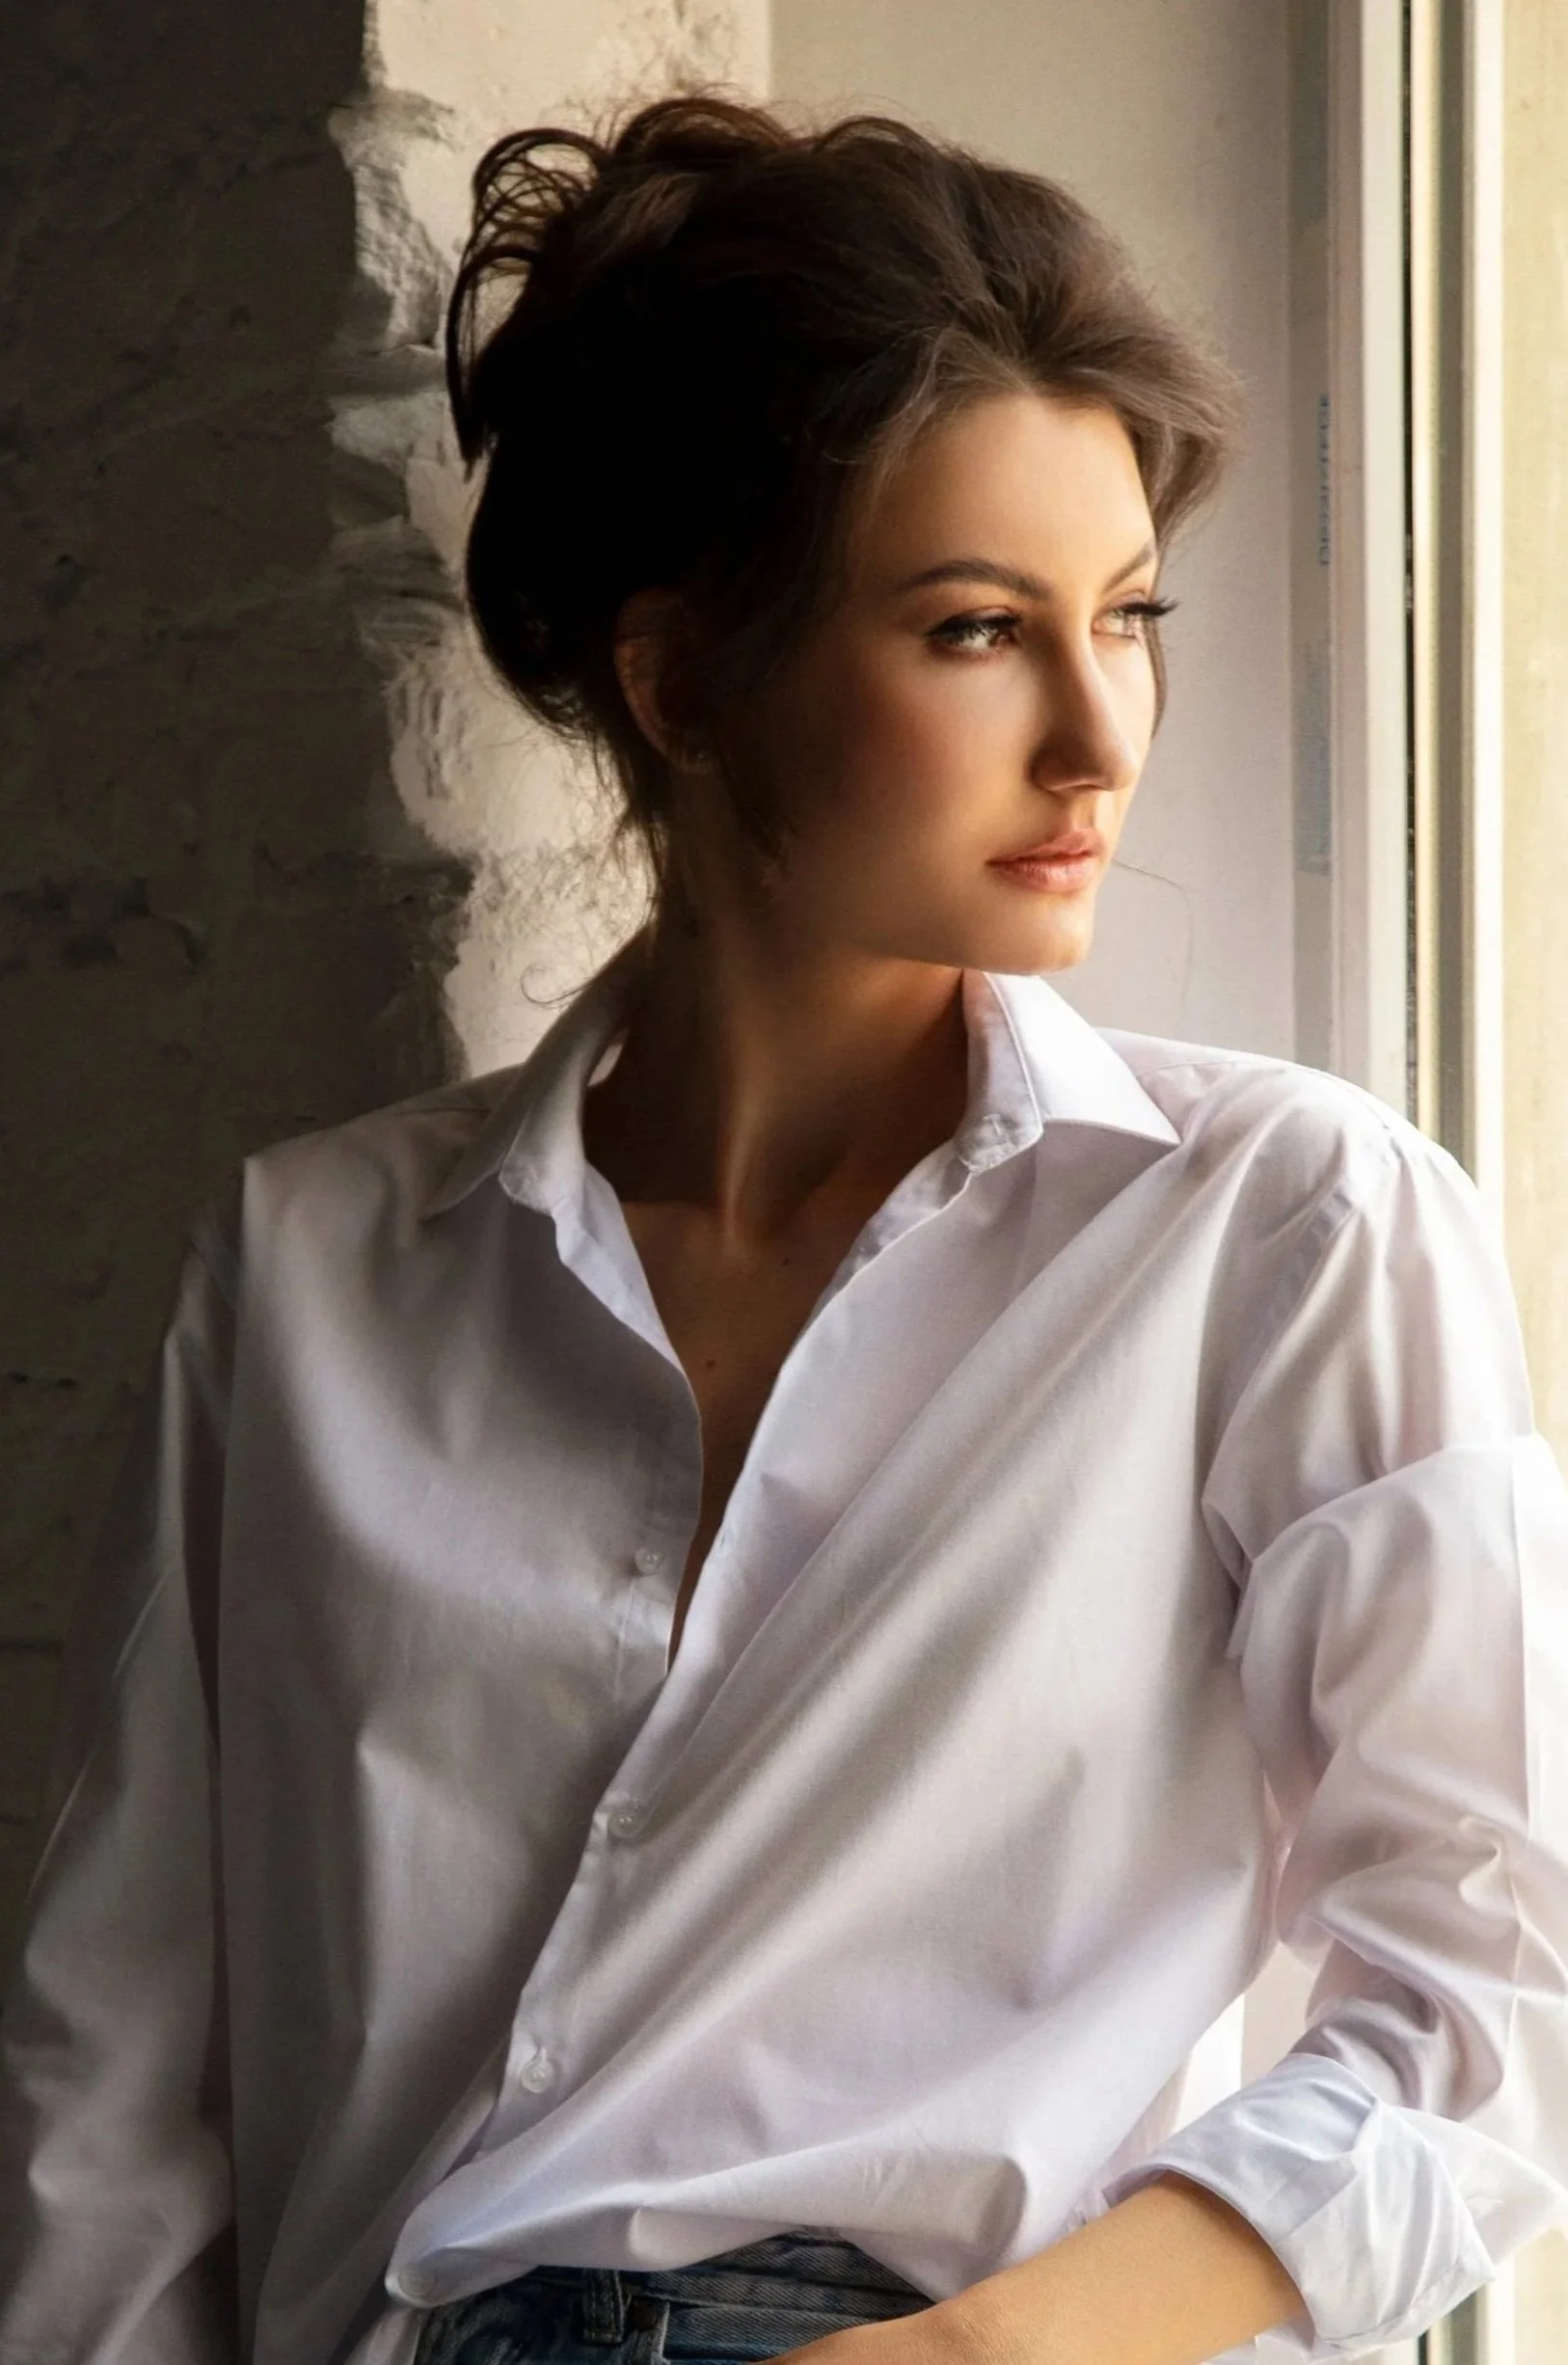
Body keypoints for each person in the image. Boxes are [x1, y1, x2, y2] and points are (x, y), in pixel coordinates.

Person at [3, 89, 1567, 2365]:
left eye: (1127, 617)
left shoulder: (1281, 1225)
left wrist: (974, 2354)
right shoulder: (309, 1272)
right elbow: (116, 2103)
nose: (1099, 735)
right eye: (977, 629)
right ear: (681, 680)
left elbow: (1491, 1999)